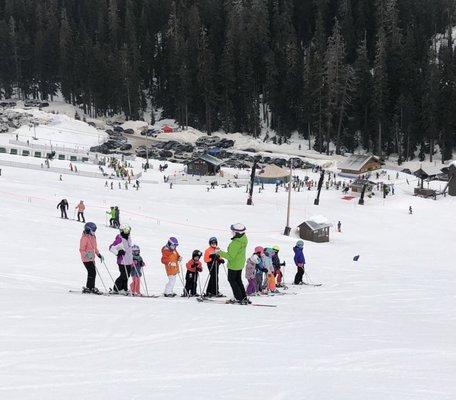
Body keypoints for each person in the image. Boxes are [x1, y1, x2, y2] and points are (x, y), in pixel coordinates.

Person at [218, 223, 250, 304]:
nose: (232, 232)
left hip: (234, 265)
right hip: (239, 263)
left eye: (233, 231)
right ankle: (243, 296)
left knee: (232, 280)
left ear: (237, 232)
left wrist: (219, 252)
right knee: (238, 280)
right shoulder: (243, 238)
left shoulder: (236, 243)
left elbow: (230, 256)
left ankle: (238, 298)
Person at [79, 222, 104, 294]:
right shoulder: (84, 238)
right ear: (88, 229)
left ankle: (91, 287)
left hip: (92, 258)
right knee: (92, 272)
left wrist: (98, 254)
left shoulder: (93, 237)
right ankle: (89, 287)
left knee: (93, 272)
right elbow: (81, 250)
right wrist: (87, 255)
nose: (94, 232)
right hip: (86, 259)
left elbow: (94, 248)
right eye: (93, 230)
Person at [109, 224, 133, 293]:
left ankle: (124, 289)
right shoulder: (119, 239)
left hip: (129, 260)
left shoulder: (128, 238)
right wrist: (118, 252)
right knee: (123, 275)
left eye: (128, 230)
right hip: (122, 261)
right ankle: (116, 288)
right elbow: (111, 247)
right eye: (125, 231)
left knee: (127, 275)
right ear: (122, 231)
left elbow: (129, 249)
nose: (127, 232)